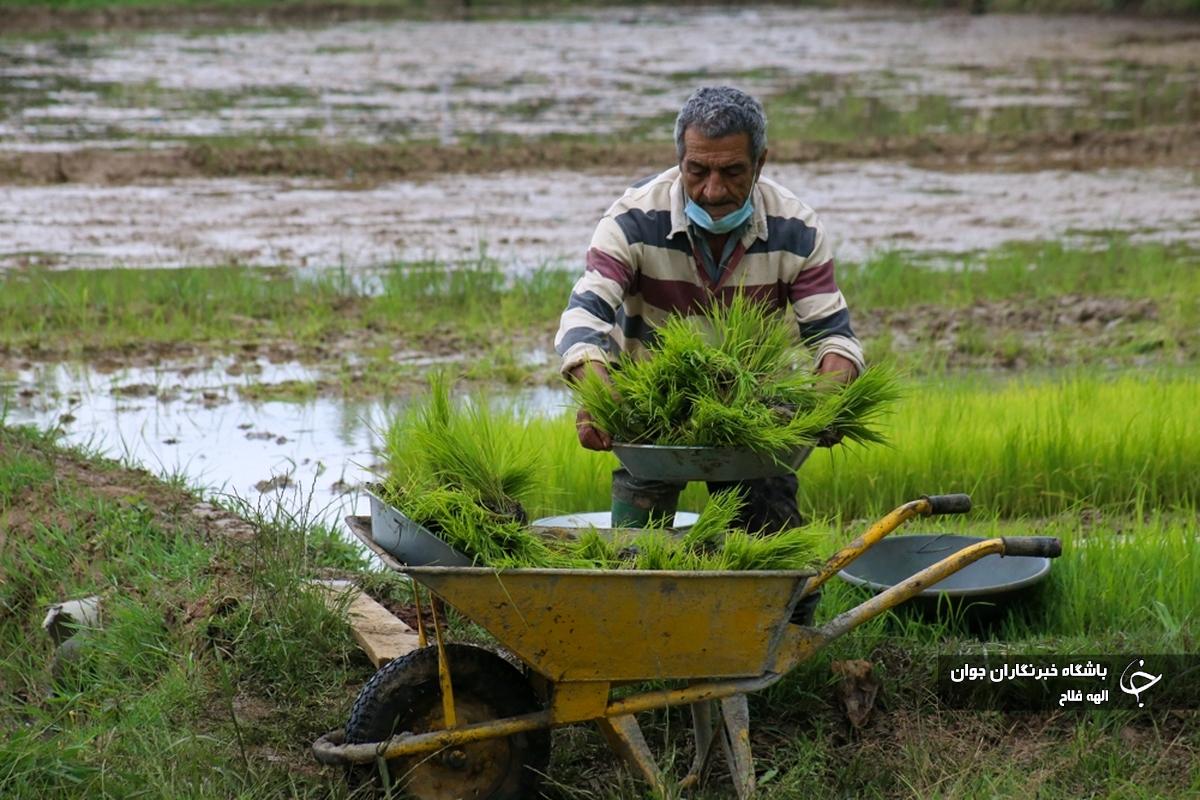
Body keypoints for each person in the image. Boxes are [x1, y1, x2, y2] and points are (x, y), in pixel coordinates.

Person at [554, 85, 864, 534]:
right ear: (679, 159)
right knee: (637, 563)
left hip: (753, 418)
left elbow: (835, 338)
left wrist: (824, 403)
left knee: (770, 566)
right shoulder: (632, 220)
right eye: (697, 170)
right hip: (648, 414)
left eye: (733, 172)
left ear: (761, 163)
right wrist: (601, 397)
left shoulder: (795, 227)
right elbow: (583, 320)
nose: (713, 191)